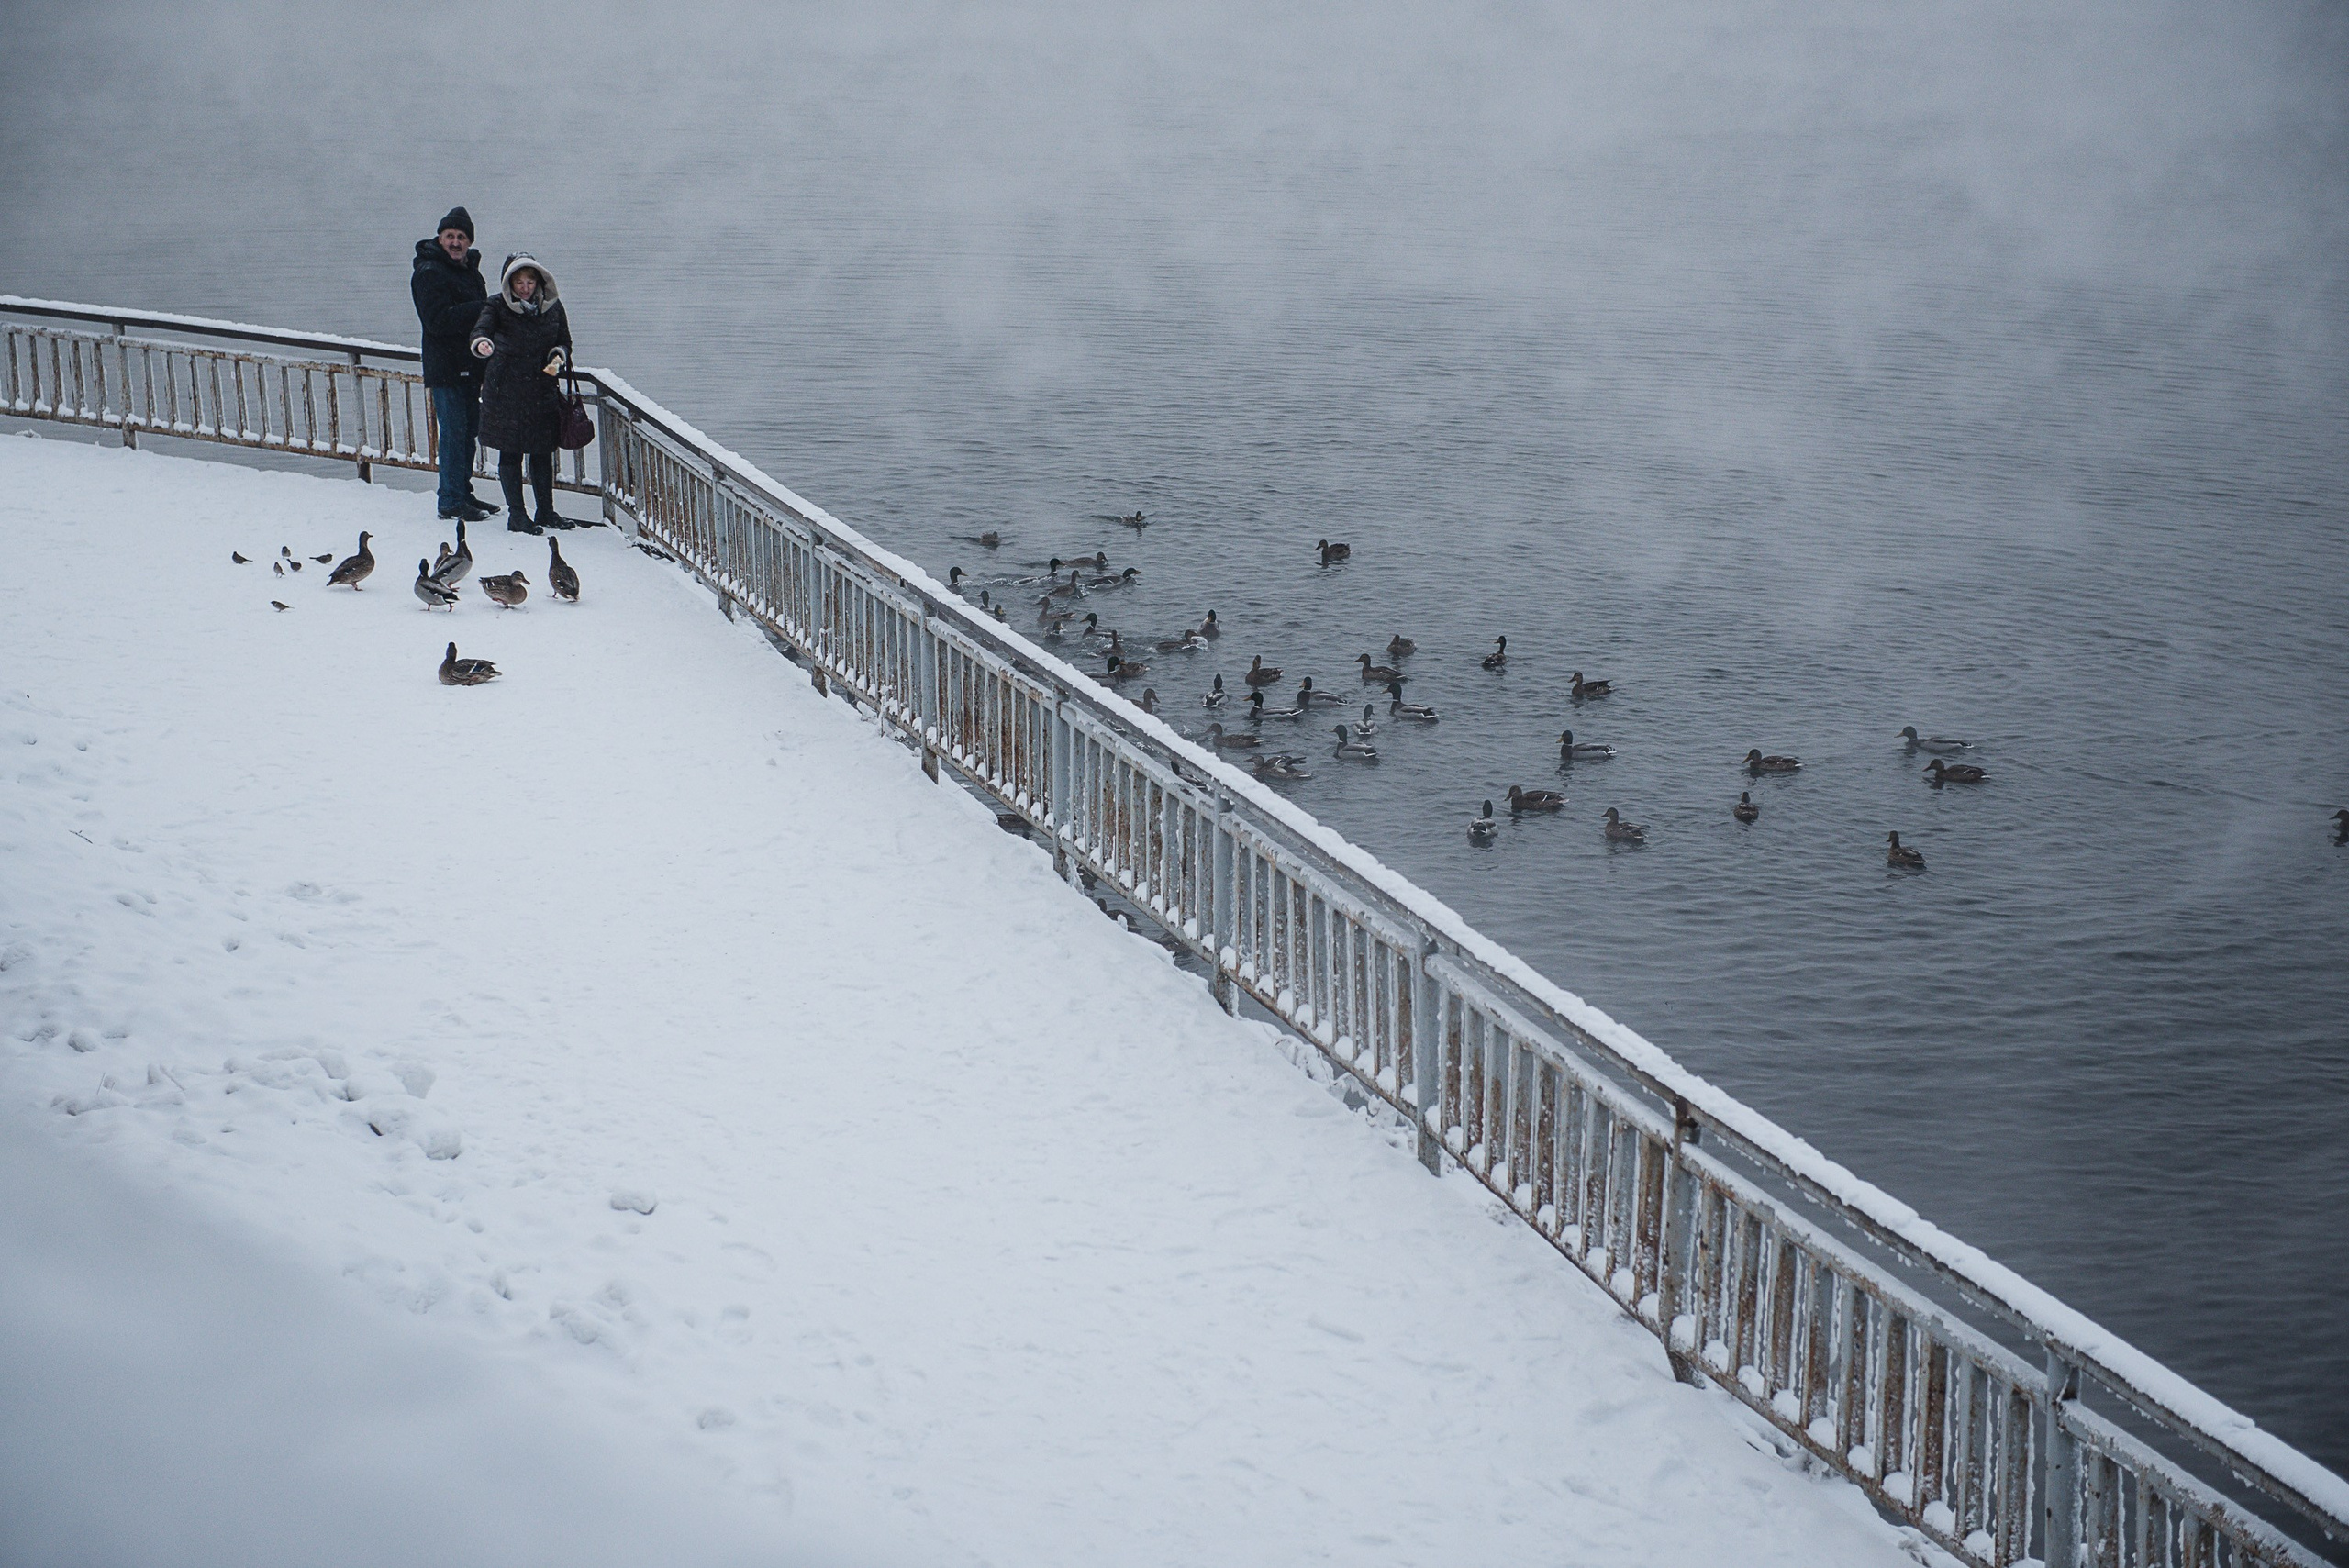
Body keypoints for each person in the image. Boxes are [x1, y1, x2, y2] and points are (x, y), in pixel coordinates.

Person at [469, 254, 574, 534]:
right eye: (519, 282)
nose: (525, 287)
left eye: (530, 281)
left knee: (542, 452)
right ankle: (517, 514)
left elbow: (564, 340)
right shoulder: (496, 305)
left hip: (541, 389)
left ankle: (546, 511)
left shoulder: (552, 307)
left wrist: (558, 356)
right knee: (511, 452)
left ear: (539, 281)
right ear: (509, 283)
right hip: (506, 390)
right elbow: (481, 331)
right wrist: (482, 344)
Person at [409, 206, 498, 522]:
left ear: (470, 242)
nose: (456, 242)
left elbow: (484, 321)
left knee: (468, 431)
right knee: (453, 432)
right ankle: (450, 500)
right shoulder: (429, 272)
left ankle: (463, 492)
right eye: (450, 236)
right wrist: (483, 307)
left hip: (472, 365)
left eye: (462, 237)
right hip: (445, 368)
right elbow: (437, 321)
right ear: (440, 238)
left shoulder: (470, 270)